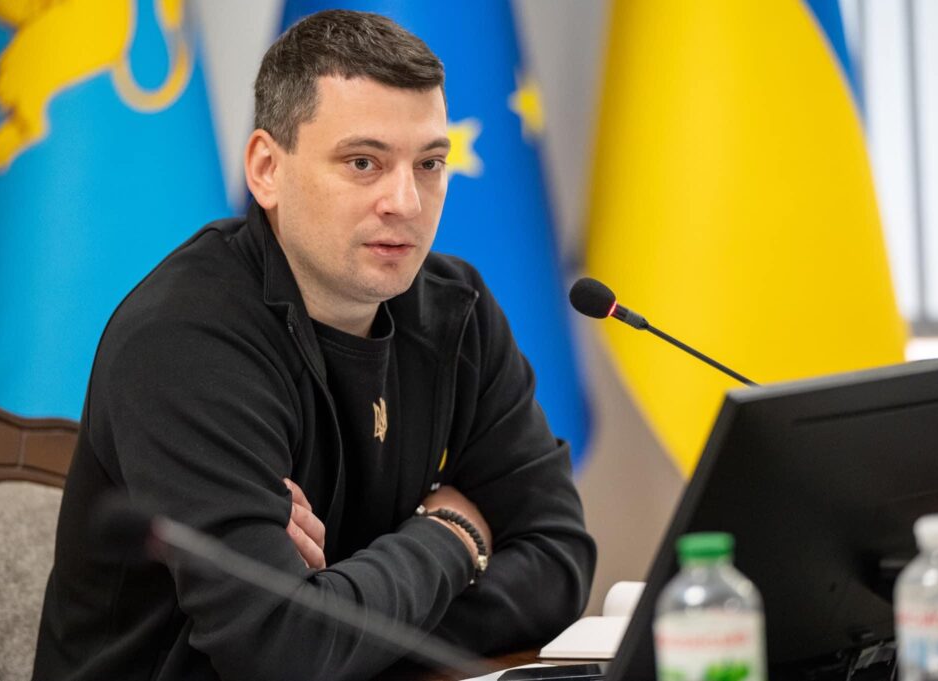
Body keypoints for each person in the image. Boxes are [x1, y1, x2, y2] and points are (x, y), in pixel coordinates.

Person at [32, 9, 596, 681]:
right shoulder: (185, 340)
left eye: (430, 163)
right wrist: (452, 535)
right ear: (266, 168)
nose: (407, 202)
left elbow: (560, 562)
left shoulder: (457, 308)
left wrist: (344, 627)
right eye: (363, 162)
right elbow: (281, 650)